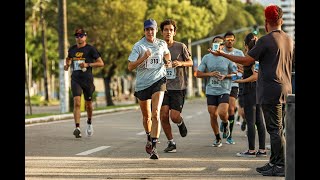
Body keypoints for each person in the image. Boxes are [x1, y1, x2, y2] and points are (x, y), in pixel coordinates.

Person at [209, 5, 294, 177]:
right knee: (278, 127)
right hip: (285, 88)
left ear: (265, 22)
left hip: (270, 89)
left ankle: (281, 165)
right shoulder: (289, 40)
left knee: (275, 129)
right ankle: (274, 162)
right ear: (281, 21)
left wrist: (223, 54)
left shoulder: (265, 40)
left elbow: (247, 61)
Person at [128, 18, 171, 160]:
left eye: (152, 29)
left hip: (158, 81)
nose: (150, 32)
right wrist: (143, 58)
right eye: (147, 29)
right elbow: (130, 66)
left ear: (156, 30)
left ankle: (154, 148)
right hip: (142, 84)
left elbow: (166, 53)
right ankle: (148, 136)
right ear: (144, 31)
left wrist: (168, 60)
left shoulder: (162, 43)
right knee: (147, 117)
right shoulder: (138, 46)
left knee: (155, 113)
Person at [195, 36, 237, 147]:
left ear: (223, 46)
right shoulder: (206, 58)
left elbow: (236, 74)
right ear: (212, 44)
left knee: (222, 113)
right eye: (215, 43)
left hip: (224, 89)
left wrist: (226, 76)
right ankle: (218, 137)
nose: (217, 45)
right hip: (211, 90)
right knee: (212, 114)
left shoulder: (228, 58)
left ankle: (225, 123)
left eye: (220, 43)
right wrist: (210, 74)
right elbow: (198, 74)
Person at [159, 19, 193, 153]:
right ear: (161, 32)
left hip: (178, 87)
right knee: (163, 115)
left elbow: (190, 62)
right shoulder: (158, 47)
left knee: (174, 116)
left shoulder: (180, 46)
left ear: (174, 32)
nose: (168, 32)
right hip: (162, 86)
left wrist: (180, 63)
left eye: (171, 30)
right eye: (166, 30)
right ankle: (171, 142)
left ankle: (180, 122)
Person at [64, 28, 105, 138]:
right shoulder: (72, 49)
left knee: (88, 105)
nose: (79, 38)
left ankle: (89, 123)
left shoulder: (90, 49)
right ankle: (77, 128)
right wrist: (67, 65)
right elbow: (68, 58)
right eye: (77, 36)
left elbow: (101, 63)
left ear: (85, 37)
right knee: (77, 102)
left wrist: (88, 65)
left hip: (87, 80)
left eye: (81, 36)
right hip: (76, 79)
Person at [234, 32, 266, 158]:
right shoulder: (257, 56)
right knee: (259, 121)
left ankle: (251, 150)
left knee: (251, 121)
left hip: (250, 91)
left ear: (245, 44)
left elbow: (254, 76)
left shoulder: (251, 56)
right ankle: (262, 150)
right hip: (258, 92)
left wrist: (240, 80)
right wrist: (241, 70)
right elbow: (251, 71)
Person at [220, 31, 245, 145]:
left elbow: (244, 68)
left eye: (231, 39)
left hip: (234, 83)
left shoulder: (239, 53)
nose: (229, 41)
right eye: (227, 39)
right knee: (222, 111)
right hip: (221, 84)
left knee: (231, 109)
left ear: (234, 41)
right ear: (224, 40)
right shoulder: (219, 52)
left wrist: (241, 70)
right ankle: (224, 122)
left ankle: (230, 135)